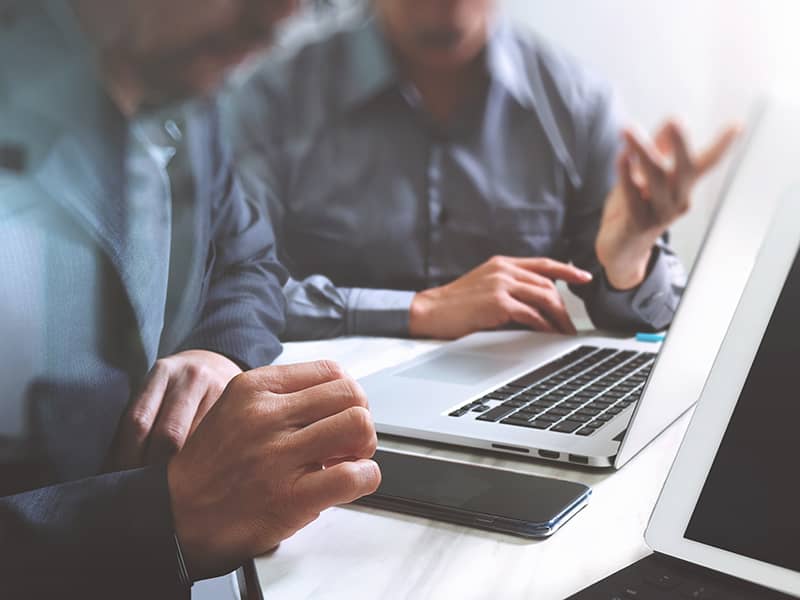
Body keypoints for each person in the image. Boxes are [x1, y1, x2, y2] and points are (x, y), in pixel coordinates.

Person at [0, 0, 380, 597]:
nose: (282, 16)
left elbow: (245, 257)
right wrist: (162, 518)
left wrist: (215, 353)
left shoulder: (185, 92)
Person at [229, 0, 738, 341]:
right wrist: (419, 310)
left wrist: (629, 259)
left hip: (509, 410)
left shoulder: (576, 103)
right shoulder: (270, 99)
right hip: (317, 410)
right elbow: (226, 296)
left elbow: (655, 313)